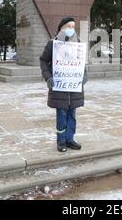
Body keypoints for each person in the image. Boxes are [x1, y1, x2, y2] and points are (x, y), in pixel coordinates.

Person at [40, 17, 88, 153]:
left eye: (73, 26)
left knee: (72, 114)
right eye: (68, 26)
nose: (71, 29)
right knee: (61, 113)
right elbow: (43, 60)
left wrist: (84, 75)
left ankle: (70, 139)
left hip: (74, 87)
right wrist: (48, 77)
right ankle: (61, 141)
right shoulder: (53, 44)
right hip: (59, 87)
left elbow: (81, 64)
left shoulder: (78, 44)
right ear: (61, 27)